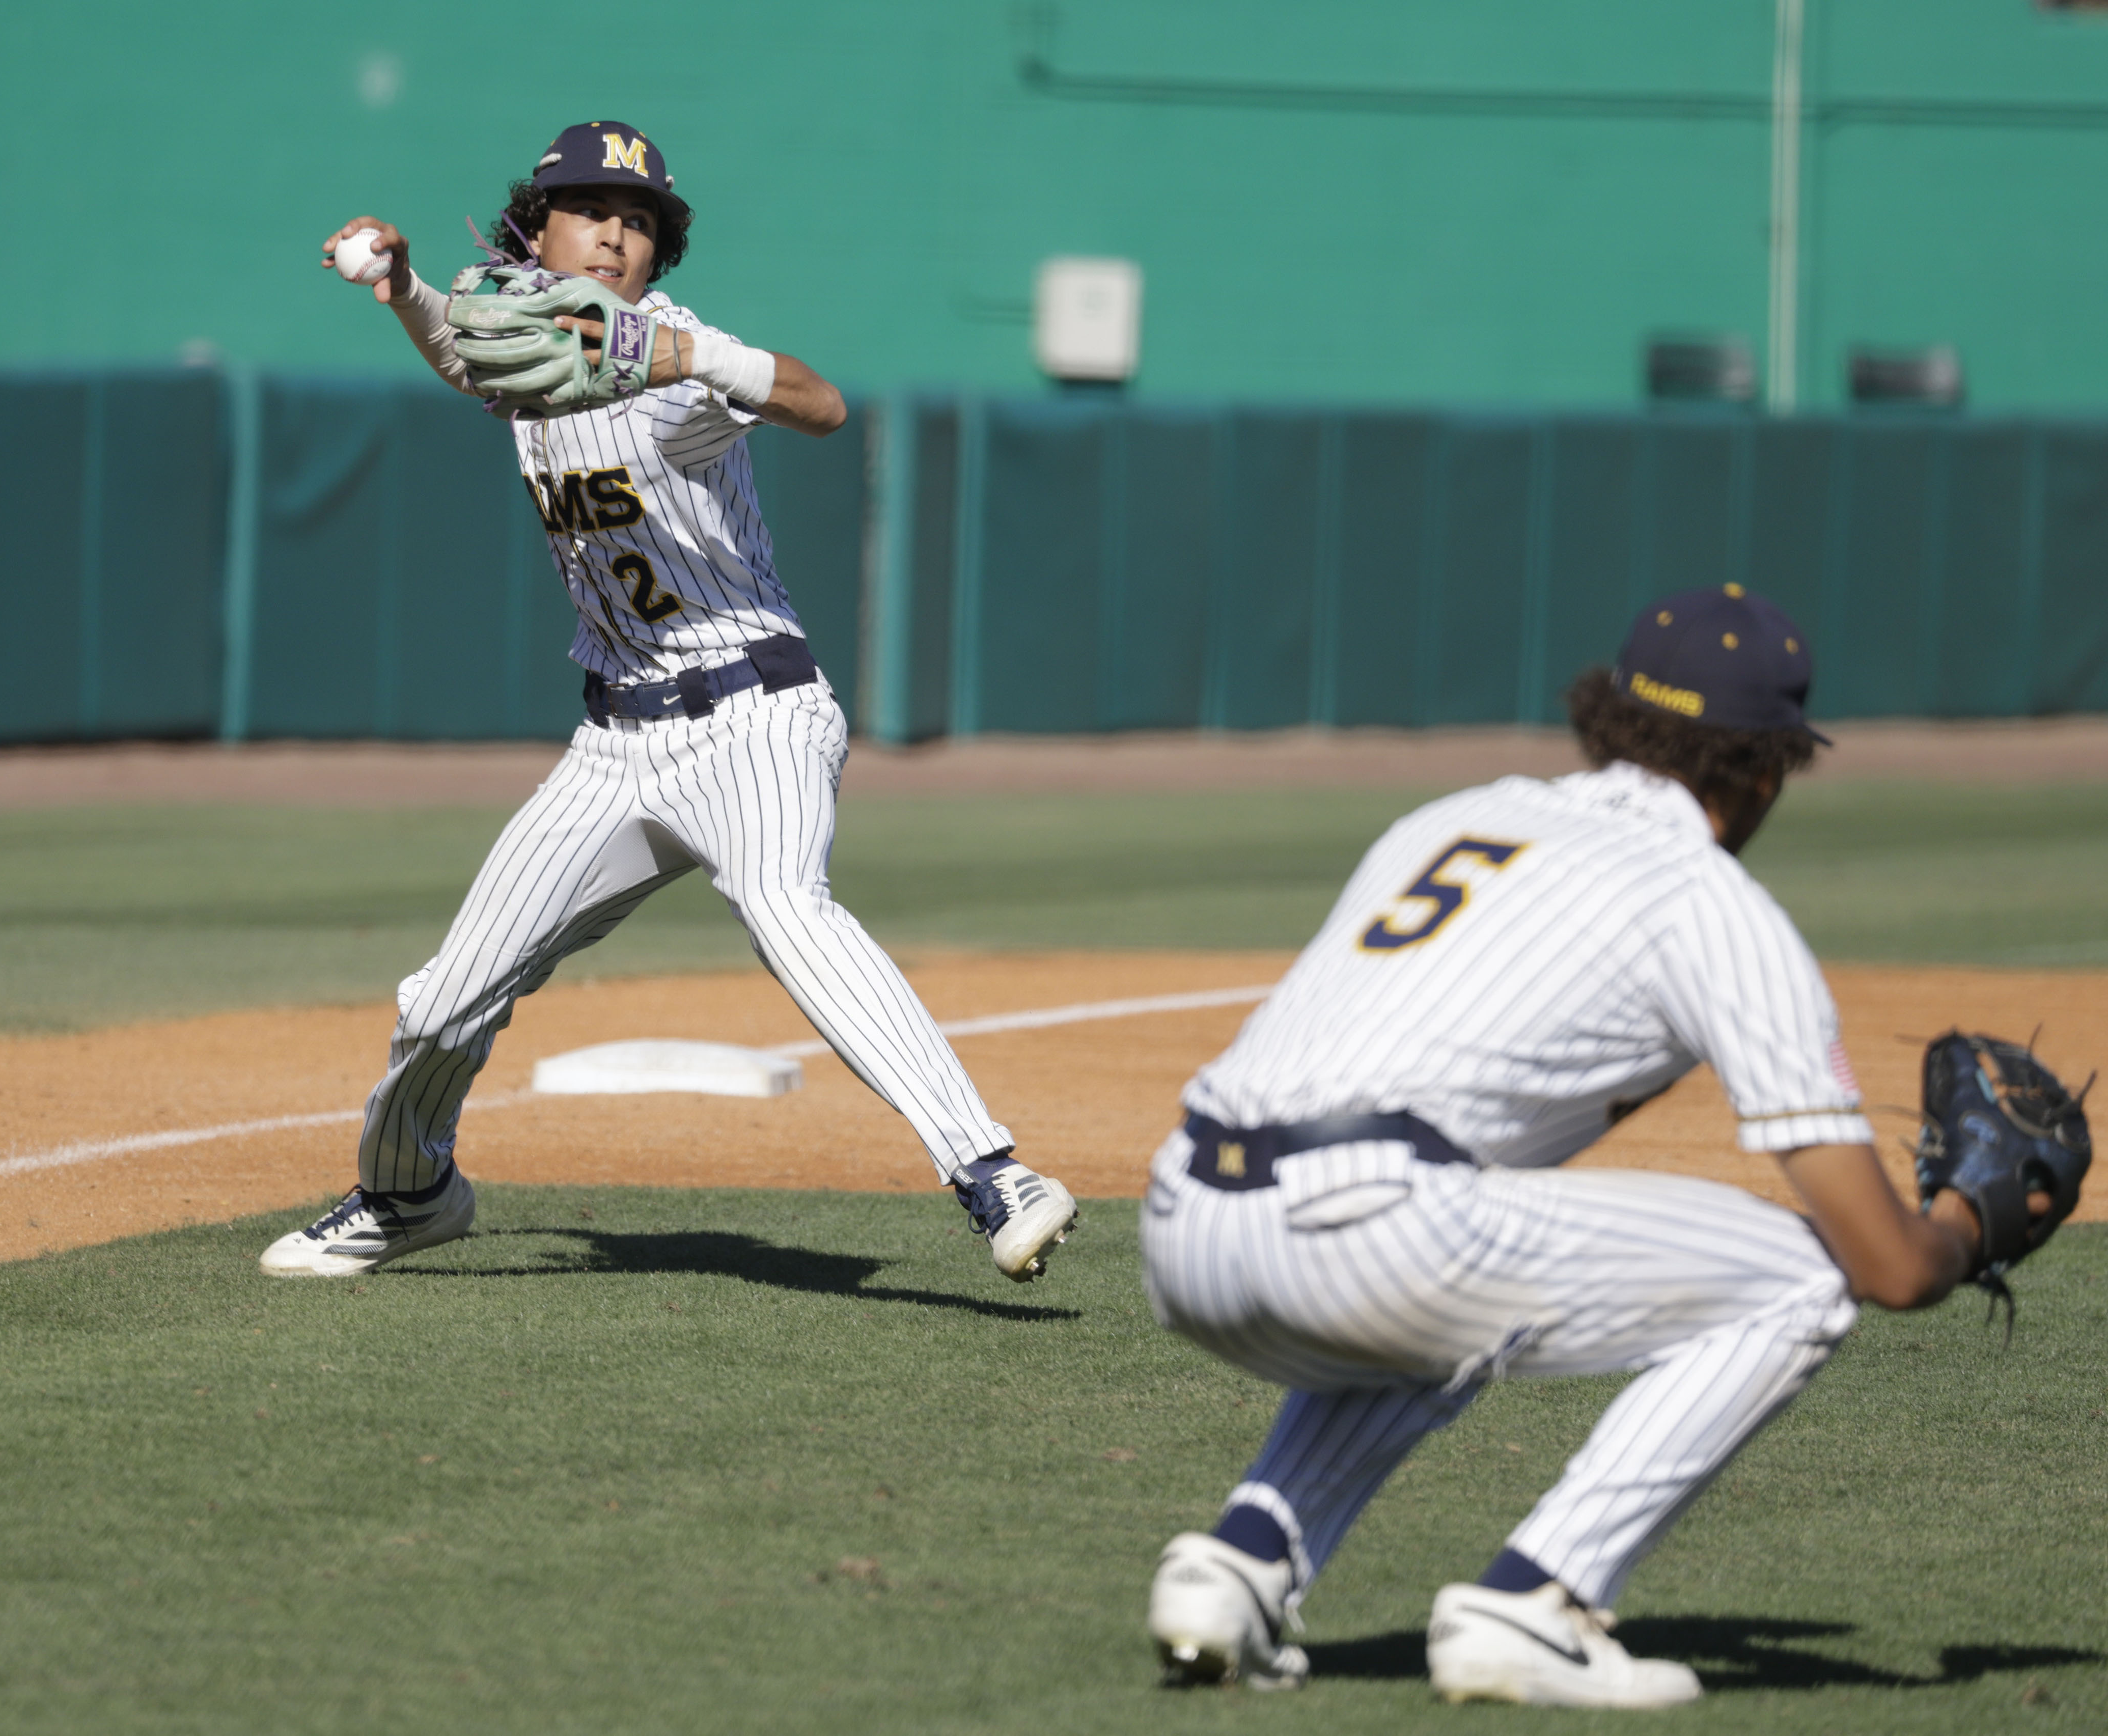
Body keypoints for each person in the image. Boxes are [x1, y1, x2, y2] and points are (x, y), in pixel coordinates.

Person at [1137, 586, 2048, 1706]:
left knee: (1454, 1273)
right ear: (1768, 769)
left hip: (1181, 1220)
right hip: (1364, 1224)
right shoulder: (1711, 903)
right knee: (1807, 1278)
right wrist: (1967, 1217)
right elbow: (1889, 1266)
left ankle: (1241, 1563)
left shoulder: (1456, 817)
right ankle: (1538, 1601)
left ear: (1610, 715)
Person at [261, 121, 1075, 1285]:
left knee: (789, 908)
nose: (617, 232)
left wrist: (688, 354)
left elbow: (821, 402)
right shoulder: (530, 351)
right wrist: (401, 288)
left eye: (640, 220)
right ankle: (408, 1193)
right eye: (591, 208)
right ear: (535, 228)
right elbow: (471, 352)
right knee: (444, 1000)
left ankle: (993, 1173)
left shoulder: (668, 357)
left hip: (756, 712)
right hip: (616, 741)